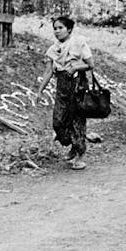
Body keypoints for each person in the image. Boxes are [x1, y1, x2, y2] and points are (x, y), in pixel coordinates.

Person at [36, 16, 94, 170]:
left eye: (60, 28)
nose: (57, 31)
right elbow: (48, 71)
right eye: (55, 28)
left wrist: (75, 67)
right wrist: (40, 90)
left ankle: (79, 154)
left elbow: (90, 64)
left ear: (69, 29)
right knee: (58, 121)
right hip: (62, 87)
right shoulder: (53, 50)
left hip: (78, 85)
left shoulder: (78, 43)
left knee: (77, 121)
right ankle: (72, 144)